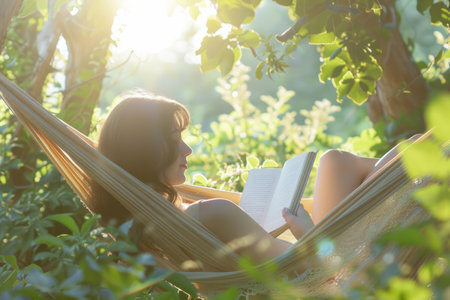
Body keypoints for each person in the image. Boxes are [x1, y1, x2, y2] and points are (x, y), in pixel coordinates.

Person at [90, 91, 415, 264]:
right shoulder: (211, 213)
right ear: (144, 150)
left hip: (316, 267)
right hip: (338, 280)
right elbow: (313, 273)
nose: (187, 149)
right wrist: (309, 236)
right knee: (410, 156)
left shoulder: (153, 224)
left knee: (335, 162)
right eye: (175, 139)